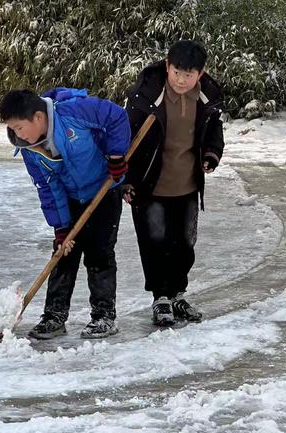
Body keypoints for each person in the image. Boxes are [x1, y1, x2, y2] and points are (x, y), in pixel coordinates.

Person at [0, 88, 131, 339]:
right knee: (63, 254)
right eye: (13, 129)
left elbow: (116, 117)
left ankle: (103, 316)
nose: (17, 134)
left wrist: (116, 155)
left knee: (99, 253)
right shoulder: (29, 149)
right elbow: (48, 187)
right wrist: (61, 227)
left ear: (38, 117)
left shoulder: (74, 111)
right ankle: (54, 317)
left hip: (104, 190)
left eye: (19, 127)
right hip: (70, 197)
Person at [123, 39, 224, 327]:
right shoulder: (146, 94)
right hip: (150, 183)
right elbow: (126, 138)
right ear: (167, 66)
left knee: (185, 242)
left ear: (200, 74)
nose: (181, 79)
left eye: (189, 74)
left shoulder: (207, 96)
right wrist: (127, 180)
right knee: (155, 241)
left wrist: (211, 154)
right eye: (177, 72)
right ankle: (160, 298)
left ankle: (178, 294)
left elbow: (214, 128)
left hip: (188, 182)